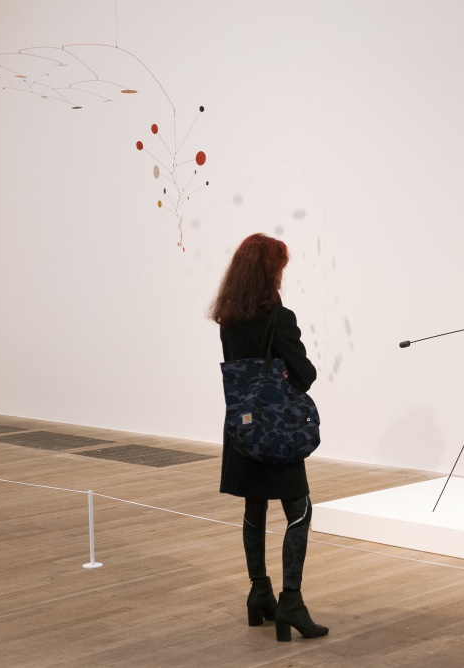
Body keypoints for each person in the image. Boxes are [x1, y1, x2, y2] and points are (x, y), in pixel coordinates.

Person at [210, 233, 328, 642]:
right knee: (299, 511)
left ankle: (259, 592)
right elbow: (306, 376)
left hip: (242, 431)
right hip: (276, 430)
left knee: (254, 509)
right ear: (270, 272)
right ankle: (290, 602)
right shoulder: (279, 319)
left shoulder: (228, 321)